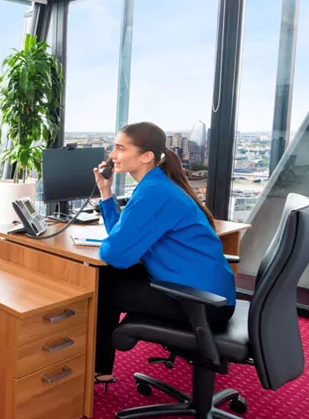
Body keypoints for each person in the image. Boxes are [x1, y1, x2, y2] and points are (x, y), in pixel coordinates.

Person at [91, 122, 236, 390]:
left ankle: (99, 368)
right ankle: (100, 367)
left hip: (201, 302)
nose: (112, 155)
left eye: (120, 148)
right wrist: (106, 193)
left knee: (102, 282)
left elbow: (115, 253)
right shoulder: (157, 186)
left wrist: (114, 242)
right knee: (110, 276)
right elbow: (121, 237)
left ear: (146, 156)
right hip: (208, 293)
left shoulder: (153, 193)